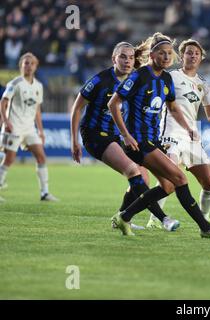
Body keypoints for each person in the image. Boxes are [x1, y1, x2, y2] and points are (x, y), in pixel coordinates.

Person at [108, 32, 210, 239]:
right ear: (152, 55)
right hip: (139, 142)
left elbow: (174, 109)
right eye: (162, 53)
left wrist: (189, 128)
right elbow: (113, 103)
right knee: (179, 178)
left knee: (167, 186)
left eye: (169, 54)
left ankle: (124, 216)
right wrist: (125, 135)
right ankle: (206, 228)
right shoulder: (139, 76)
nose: (166, 57)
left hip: (152, 140)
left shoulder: (165, 78)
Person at [70, 42, 179, 232]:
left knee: (142, 177)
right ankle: (164, 218)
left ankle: (121, 217)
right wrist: (74, 141)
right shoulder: (100, 80)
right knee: (132, 171)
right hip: (95, 134)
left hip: (118, 135)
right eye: (122, 57)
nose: (127, 61)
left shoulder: (135, 79)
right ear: (114, 59)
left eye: (130, 57)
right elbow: (77, 107)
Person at [146, 39, 210, 229]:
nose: (193, 56)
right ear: (182, 56)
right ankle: (155, 219)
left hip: (192, 138)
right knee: (168, 181)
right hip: (170, 134)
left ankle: (204, 217)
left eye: (196, 54)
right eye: (189, 53)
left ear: (201, 58)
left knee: (209, 183)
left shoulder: (202, 85)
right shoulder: (170, 77)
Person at [0, 52, 58, 201]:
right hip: (14, 126)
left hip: (29, 128)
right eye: (26, 63)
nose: (29, 66)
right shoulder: (15, 83)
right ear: (21, 65)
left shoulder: (38, 86)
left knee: (41, 157)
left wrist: (41, 130)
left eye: (32, 63)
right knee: (9, 159)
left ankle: (44, 192)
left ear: (36, 66)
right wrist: (6, 122)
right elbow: (3, 102)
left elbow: (37, 110)